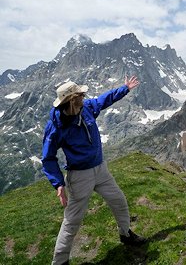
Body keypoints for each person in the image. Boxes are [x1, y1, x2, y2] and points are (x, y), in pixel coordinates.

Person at [41, 76, 145, 265]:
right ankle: (59, 261)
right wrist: (57, 183)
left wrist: (124, 89)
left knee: (119, 200)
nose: (84, 95)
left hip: (101, 169)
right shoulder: (56, 126)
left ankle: (125, 234)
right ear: (73, 100)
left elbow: (104, 100)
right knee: (72, 220)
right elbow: (48, 158)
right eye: (81, 94)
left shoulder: (86, 108)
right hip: (80, 176)